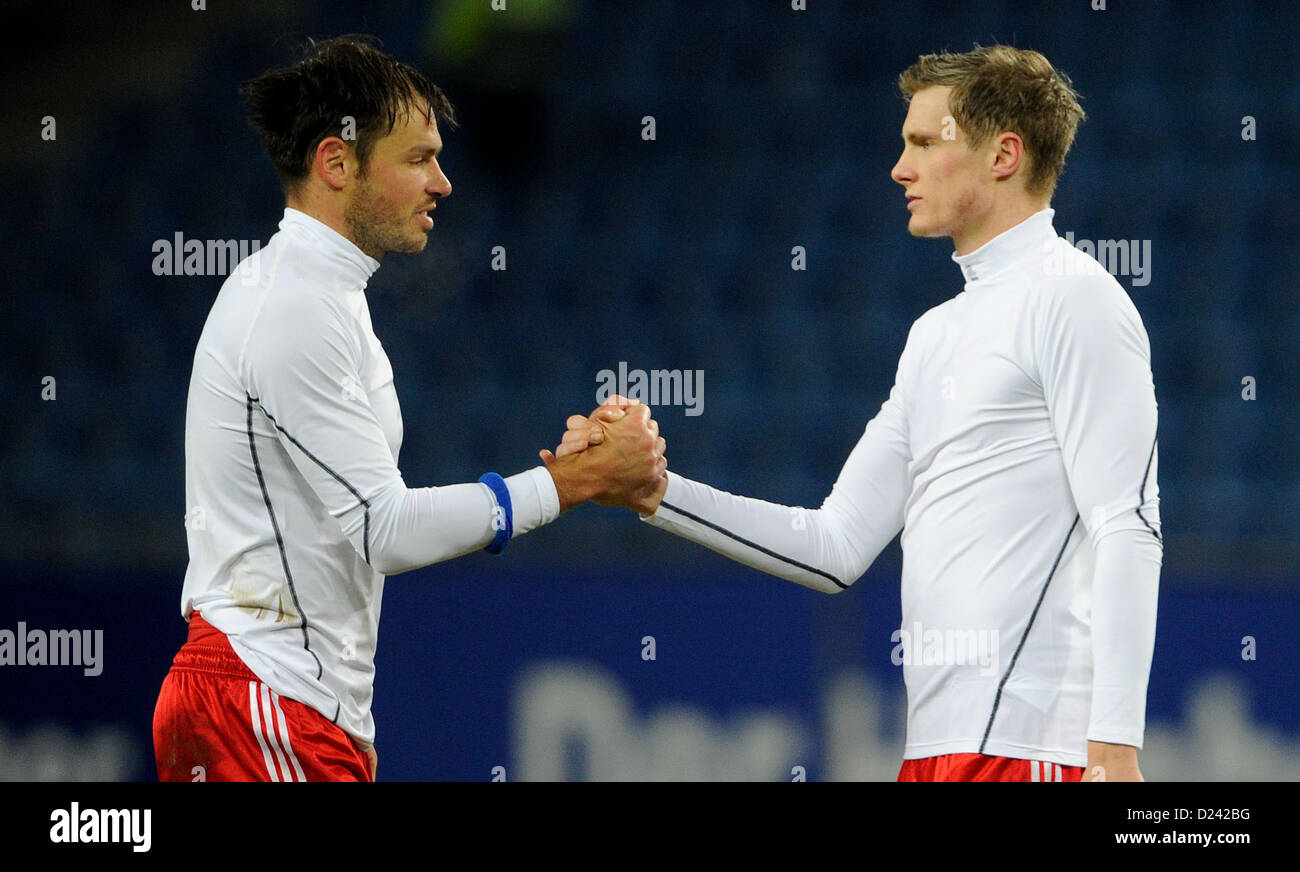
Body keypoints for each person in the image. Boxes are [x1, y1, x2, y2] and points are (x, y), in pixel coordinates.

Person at [553, 45, 1161, 782]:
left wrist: (1114, 747)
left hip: (1034, 753)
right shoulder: (935, 335)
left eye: (922, 143)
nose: (899, 169)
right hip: (935, 755)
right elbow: (834, 545)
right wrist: (654, 492)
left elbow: (1127, 523)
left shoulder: (1077, 299)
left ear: (1004, 155)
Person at [152, 36, 666, 782]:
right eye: (418, 158)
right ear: (337, 162)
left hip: (273, 701)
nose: (443, 183)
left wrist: (338, 714)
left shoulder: (314, 295)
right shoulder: (296, 307)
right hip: (263, 700)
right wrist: (573, 484)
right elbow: (383, 529)